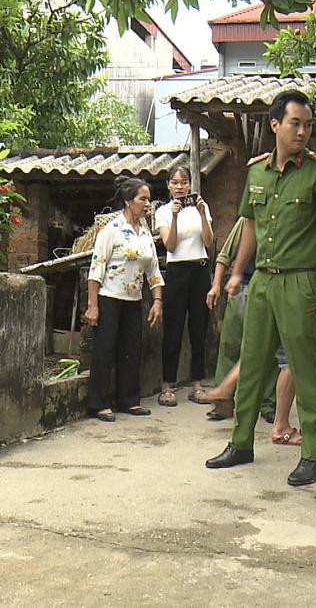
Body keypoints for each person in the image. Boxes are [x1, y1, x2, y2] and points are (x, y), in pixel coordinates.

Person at [205, 90, 316, 488]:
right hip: (262, 282)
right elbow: (249, 228)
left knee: (305, 368)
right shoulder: (256, 172)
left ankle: (313, 455)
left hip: (302, 281)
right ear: (275, 126)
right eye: (295, 123)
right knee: (252, 363)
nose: (303, 131)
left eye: (307, 124)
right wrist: (236, 273)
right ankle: (240, 444)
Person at [84, 176, 164, 422]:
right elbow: (96, 268)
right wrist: (93, 305)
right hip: (109, 298)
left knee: (131, 350)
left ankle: (128, 400)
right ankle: (99, 404)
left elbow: (153, 270)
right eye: (143, 199)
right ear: (129, 201)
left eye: (148, 199)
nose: (148, 204)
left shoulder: (145, 233)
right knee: (105, 351)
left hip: (133, 300)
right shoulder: (112, 230)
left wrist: (158, 300)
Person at [206, 216, 277, 422]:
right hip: (244, 286)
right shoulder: (249, 219)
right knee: (231, 344)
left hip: (272, 287)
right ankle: (223, 400)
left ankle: (267, 403)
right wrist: (217, 284)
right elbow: (225, 254)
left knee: (269, 350)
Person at [155, 165, 215, 406]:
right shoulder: (163, 211)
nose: (180, 187)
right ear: (169, 185)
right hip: (177, 269)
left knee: (199, 329)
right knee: (173, 329)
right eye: (175, 182)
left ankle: (197, 384)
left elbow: (209, 241)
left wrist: (201, 214)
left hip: (199, 269)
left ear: (190, 184)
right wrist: (176, 215)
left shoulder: (202, 207)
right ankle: (167, 386)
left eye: (184, 182)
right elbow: (169, 245)